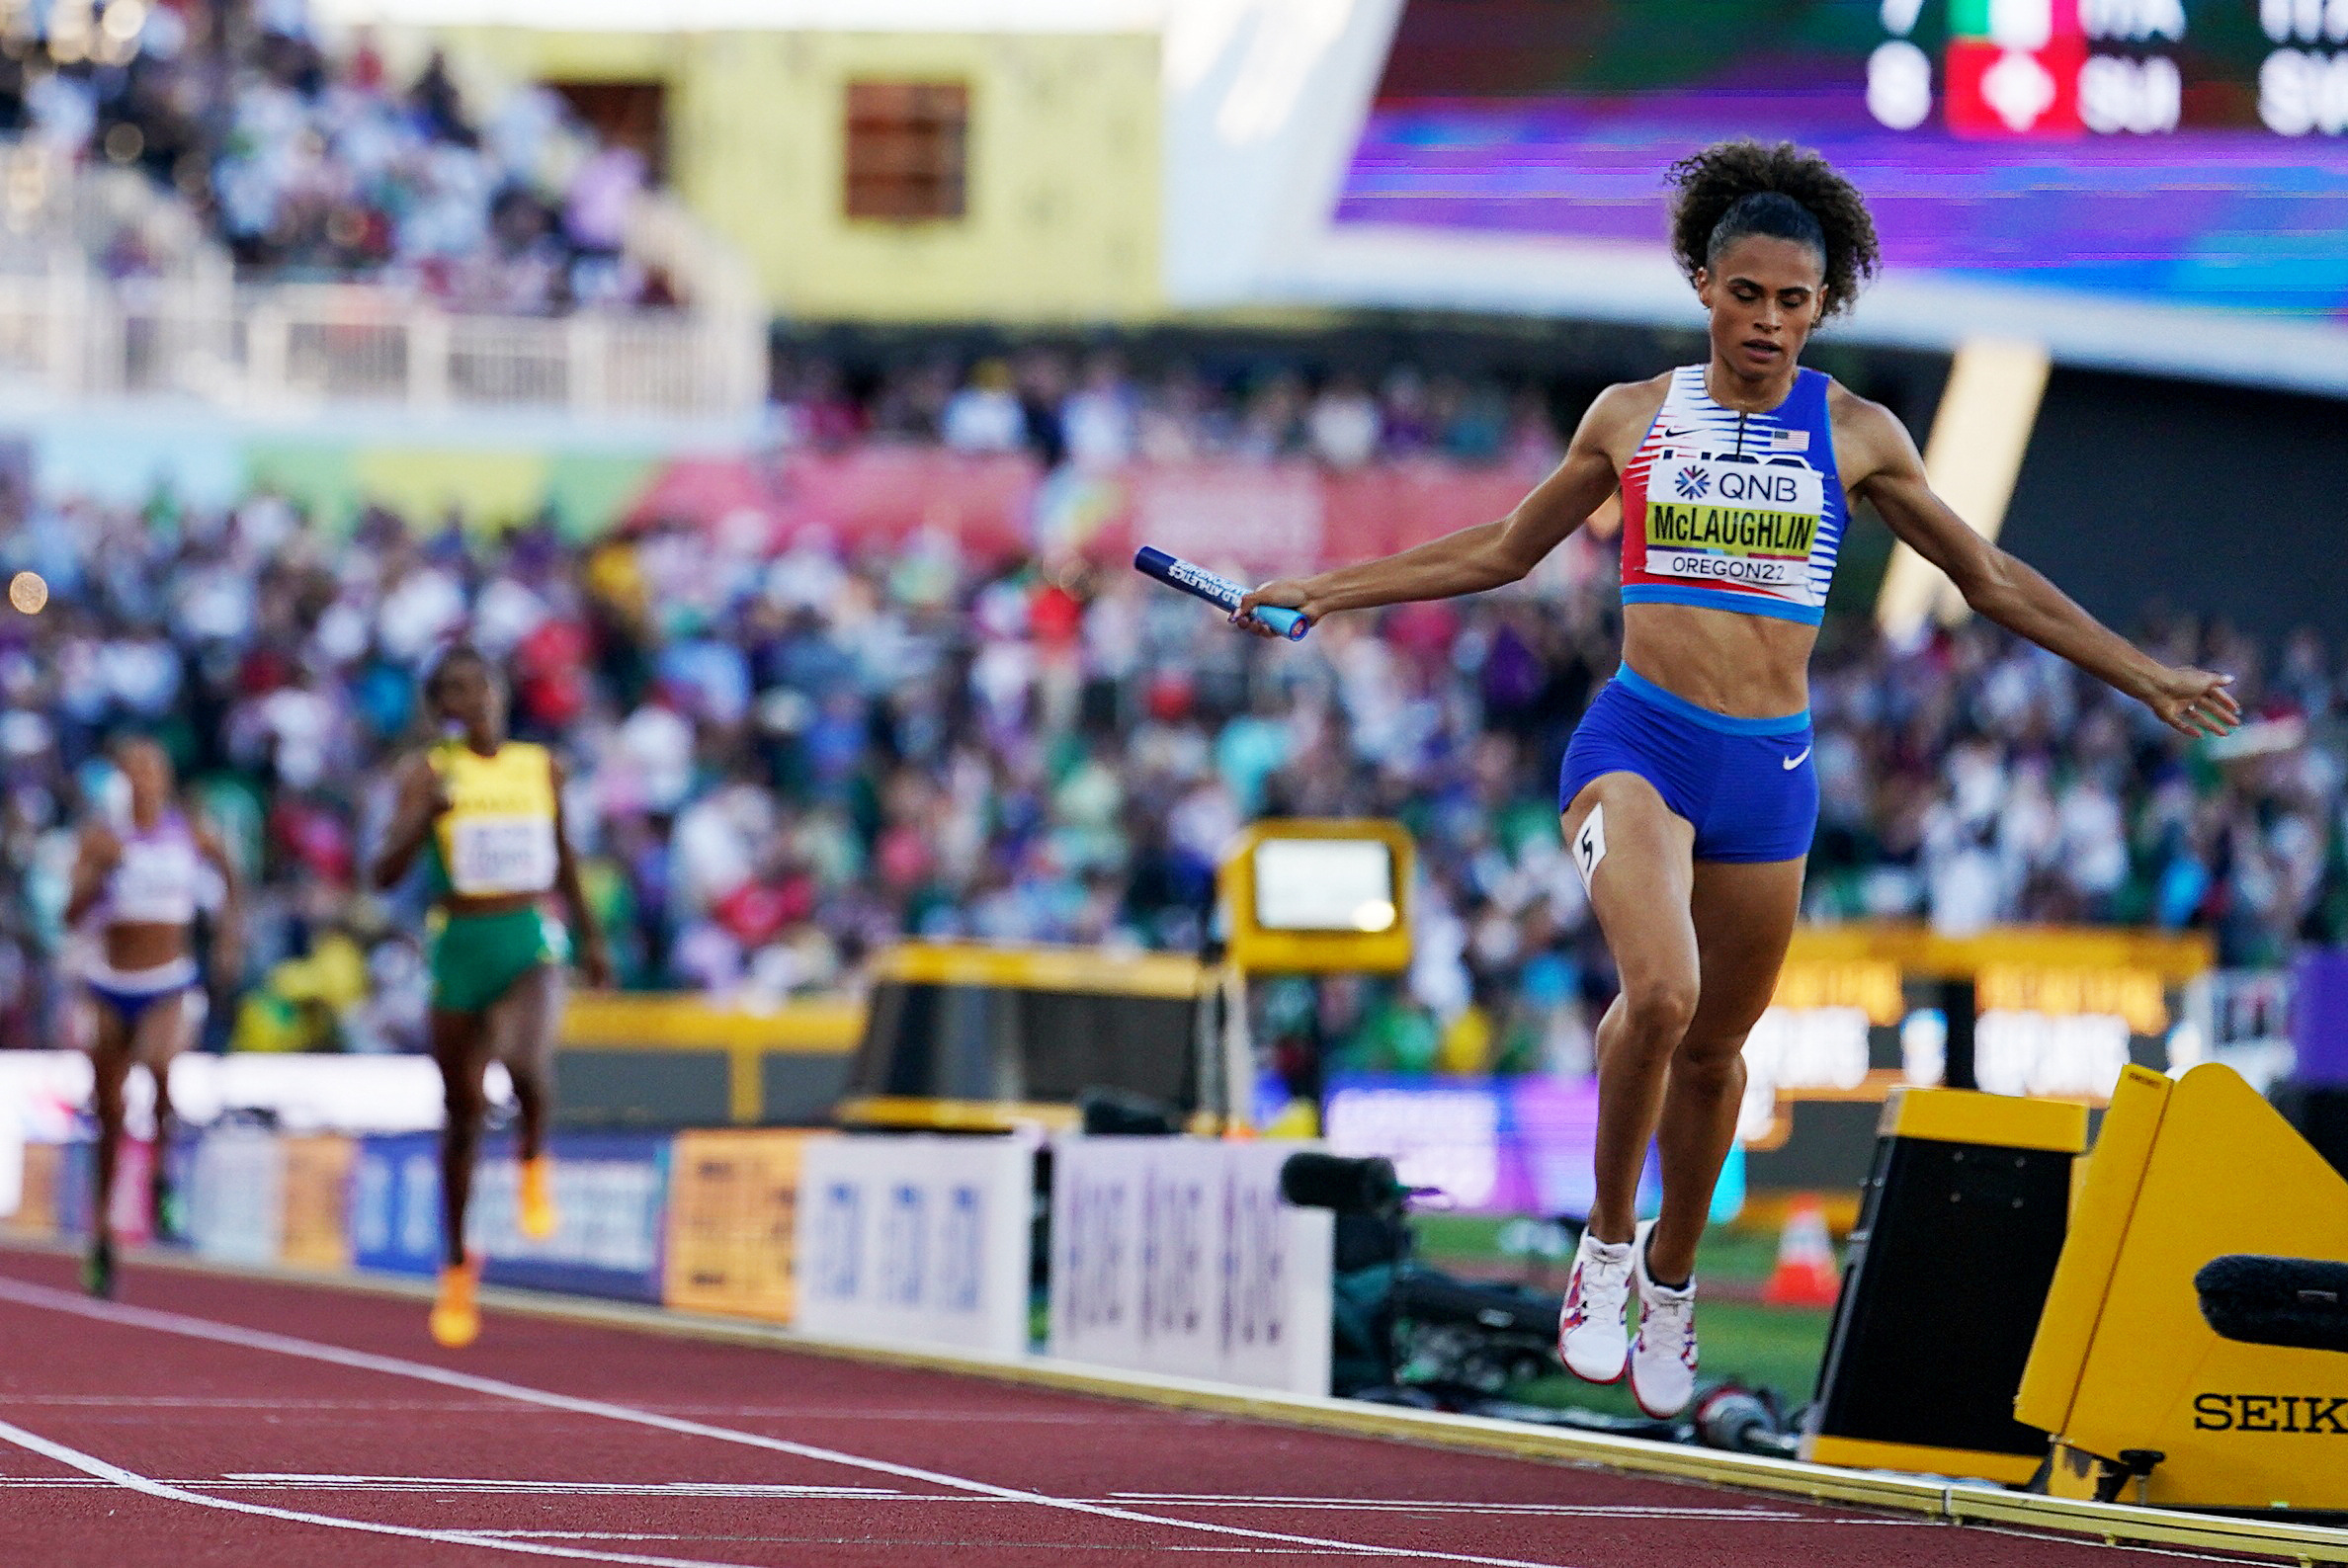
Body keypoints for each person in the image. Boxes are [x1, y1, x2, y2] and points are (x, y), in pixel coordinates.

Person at [1238, 139, 2240, 1419]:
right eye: (1746, 293)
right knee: (1659, 991)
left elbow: (1988, 578)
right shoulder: (1633, 414)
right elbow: (1501, 548)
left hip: (1772, 770)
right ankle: (1604, 1243)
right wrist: (1325, 589)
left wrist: (2140, 670)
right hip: (1638, 742)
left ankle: (1671, 1268)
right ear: (1704, 284)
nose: (1767, 320)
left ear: (1821, 308)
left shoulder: (1859, 434)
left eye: (1793, 301)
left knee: (1716, 1054)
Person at [372, 643, 612, 1348]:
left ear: (500, 694)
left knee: (528, 1062)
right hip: (461, 943)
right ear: (437, 707)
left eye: (478, 686)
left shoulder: (539, 767)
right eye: (452, 691)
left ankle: (534, 1155)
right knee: (462, 1114)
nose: (469, 700)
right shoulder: (426, 774)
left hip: (527, 932)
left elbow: (564, 854)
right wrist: (424, 819)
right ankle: (454, 1265)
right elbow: (383, 873)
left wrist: (593, 938)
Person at [64, 737, 240, 1298]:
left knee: (161, 1067)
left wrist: (230, 940)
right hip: (111, 983)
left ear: (165, 780)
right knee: (110, 1112)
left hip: (169, 981)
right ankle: (101, 1235)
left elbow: (232, 878)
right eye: (133, 771)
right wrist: (97, 879)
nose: (143, 781)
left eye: (153, 771)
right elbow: (70, 914)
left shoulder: (190, 832)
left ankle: (161, 1174)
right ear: (121, 781)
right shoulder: (103, 839)